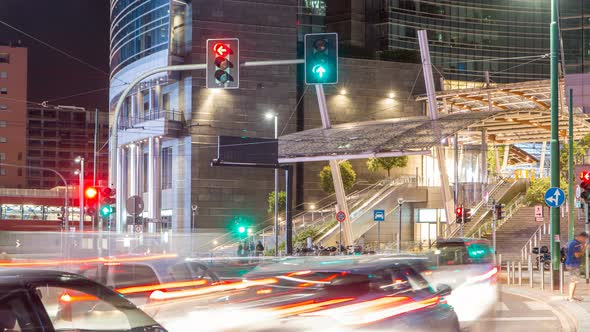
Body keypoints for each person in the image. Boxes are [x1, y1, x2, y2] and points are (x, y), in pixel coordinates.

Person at [565, 232, 589, 302]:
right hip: (573, 264)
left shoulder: (573, 242)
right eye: (585, 239)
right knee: (573, 281)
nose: (584, 240)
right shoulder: (576, 244)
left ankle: (572, 296)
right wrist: (583, 249)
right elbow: (577, 255)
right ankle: (570, 297)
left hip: (571, 263)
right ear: (581, 237)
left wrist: (584, 247)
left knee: (574, 281)